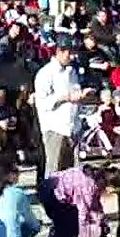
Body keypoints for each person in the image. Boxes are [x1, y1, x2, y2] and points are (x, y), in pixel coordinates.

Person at [34, 43, 87, 180]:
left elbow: (76, 95)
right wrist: (65, 97)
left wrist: (83, 95)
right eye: (69, 53)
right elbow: (43, 103)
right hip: (55, 127)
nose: (72, 56)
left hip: (73, 127)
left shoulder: (72, 72)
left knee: (72, 171)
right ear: (59, 51)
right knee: (54, 169)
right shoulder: (46, 73)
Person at [40, 163, 117, 237]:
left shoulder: (96, 178)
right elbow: (84, 217)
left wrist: (103, 225)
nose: (110, 192)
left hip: (55, 186)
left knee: (66, 223)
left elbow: (95, 207)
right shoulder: (87, 186)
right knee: (69, 226)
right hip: (51, 191)